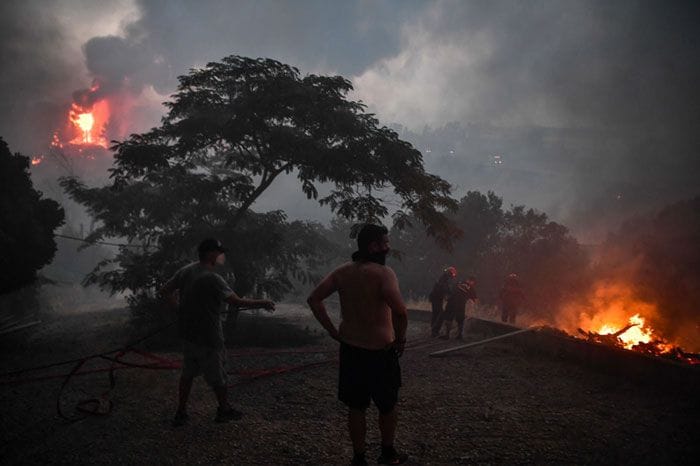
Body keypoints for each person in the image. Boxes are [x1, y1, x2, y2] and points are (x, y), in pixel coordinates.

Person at [307, 224, 409, 466]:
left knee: (356, 406)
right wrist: (401, 340)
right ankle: (387, 453)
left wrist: (333, 331)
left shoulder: (342, 272)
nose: (388, 247)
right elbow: (401, 312)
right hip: (381, 352)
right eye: (385, 243)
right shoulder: (384, 274)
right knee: (387, 405)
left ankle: (359, 458)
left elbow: (314, 299)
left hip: (351, 349)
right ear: (373, 246)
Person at [159, 238, 275, 426]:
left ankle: (181, 412)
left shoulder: (186, 270)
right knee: (218, 375)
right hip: (208, 336)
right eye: (219, 252)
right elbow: (235, 301)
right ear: (210, 253)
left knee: (187, 374)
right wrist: (263, 303)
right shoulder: (213, 278)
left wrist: (179, 309)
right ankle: (224, 410)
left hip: (188, 334)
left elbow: (164, 291)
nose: (222, 256)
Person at [428, 267, 456, 337]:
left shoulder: (444, 278)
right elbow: (443, 287)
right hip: (436, 298)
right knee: (440, 314)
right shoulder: (444, 279)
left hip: (436, 298)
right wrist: (450, 293)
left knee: (436, 314)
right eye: (452, 275)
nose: (453, 277)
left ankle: (433, 330)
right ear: (450, 273)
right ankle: (434, 331)